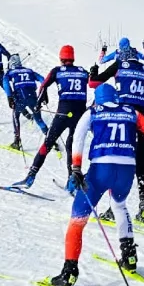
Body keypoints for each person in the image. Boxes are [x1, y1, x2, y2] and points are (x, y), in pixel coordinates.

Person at [48, 84, 144, 286]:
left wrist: (76, 168)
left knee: (77, 219)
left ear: (97, 98)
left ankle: (69, 271)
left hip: (101, 169)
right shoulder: (130, 112)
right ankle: (129, 256)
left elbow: (77, 139)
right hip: (126, 171)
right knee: (120, 206)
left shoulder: (93, 112)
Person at [90, 43, 144, 223]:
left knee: (119, 161)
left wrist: (93, 71)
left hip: (124, 117)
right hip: (142, 120)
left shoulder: (119, 65)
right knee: (140, 164)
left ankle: (113, 207)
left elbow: (94, 83)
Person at [14, 46, 89, 190]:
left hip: (63, 113)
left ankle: (30, 177)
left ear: (61, 58)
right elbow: (94, 83)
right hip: (79, 115)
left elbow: (43, 86)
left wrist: (41, 100)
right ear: (72, 58)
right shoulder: (83, 72)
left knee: (47, 143)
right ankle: (71, 181)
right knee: (71, 146)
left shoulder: (57, 71)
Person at [3, 55, 48, 151]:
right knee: (39, 119)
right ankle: (50, 140)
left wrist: (9, 97)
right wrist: (43, 93)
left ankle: (17, 141)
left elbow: (5, 83)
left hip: (20, 98)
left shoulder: (10, 72)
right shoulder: (29, 71)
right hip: (33, 98)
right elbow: (43, 79)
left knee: (16, 115)